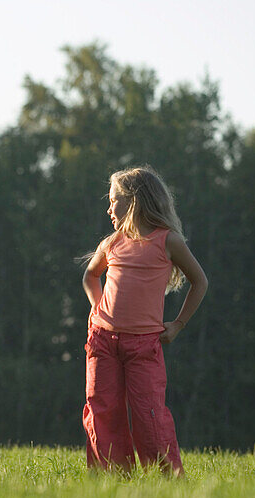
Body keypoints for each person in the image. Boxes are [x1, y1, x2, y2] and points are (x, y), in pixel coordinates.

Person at [82, 166, 208, 475]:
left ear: (133, 200)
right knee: (102, 411)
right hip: (102, 341)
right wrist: (98, 308)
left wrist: (177, 324)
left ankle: (164, 479)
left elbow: (200, 282)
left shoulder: (168, 241)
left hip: (144, 346)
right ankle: (112, 478)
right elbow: (90, 276)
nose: (109, 208)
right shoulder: (112, 242)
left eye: (114, 201)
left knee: (148, 414)